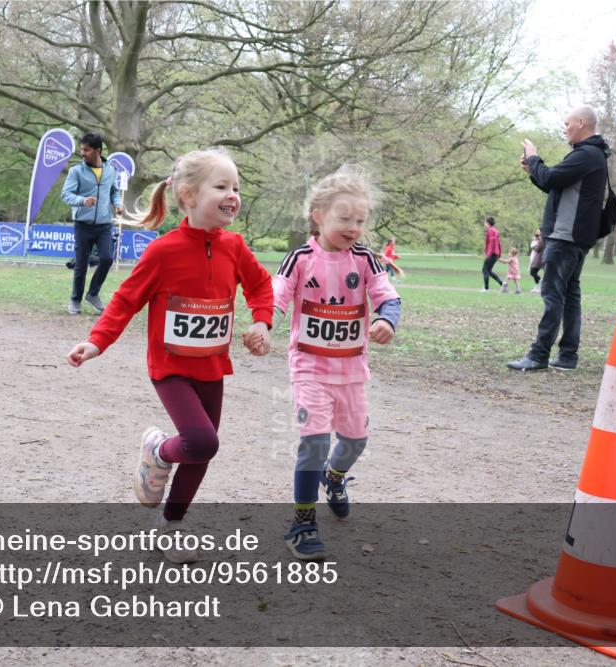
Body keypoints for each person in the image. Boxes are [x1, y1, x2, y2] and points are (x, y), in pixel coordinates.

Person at [66, 148, 273, 564]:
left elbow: (261, 286)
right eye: (222, 186)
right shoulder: (164, 251)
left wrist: (262, 322)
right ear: (188, 195)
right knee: (200, 441)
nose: (233, 194)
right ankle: (160, 451)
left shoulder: (235, 247)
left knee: (203, 450)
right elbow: (126, 300)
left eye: (236, 187)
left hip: (211, 367)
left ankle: (171, 527)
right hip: (172, 370)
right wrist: (97, 342)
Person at [269, 165, 401, 560]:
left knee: (356, 441)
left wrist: (385, 320)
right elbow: (275, 297)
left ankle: (335, 475)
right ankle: (303, 523)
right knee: (314, 442)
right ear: (318, 215)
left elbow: (387, 296)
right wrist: (264, 324)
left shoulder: (365, 259)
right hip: (309, 367)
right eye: (344, 218)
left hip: (351, 370)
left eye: (360, 220)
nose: (354, 227)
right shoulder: (299, 259)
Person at [507, 105, 611, 372]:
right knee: (570, 294)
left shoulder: (587, 154)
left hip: (565, 238)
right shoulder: (592, 155)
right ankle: (567, 356)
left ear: (581, 123)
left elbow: (552, 176)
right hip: (576, 238)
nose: (564, 128)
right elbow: (553, 184)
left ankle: (538, 355)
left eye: (567, 123)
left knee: (553, 294)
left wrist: (533, 158)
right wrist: (533, 169)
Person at [60, 132, 124, 315]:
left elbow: (114, 191)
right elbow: (66, 195)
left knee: (106, 259)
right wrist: (82, 200)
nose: (82, 153)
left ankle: (93, 294)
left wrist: (117, 204)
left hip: (104, 224)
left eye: (86, 150)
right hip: (83, 224)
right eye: (81, 149)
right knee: (81, 265)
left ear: (97, 150)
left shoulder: (111, 170)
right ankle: (75, 300)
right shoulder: (76, 171)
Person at [480, 216, 503, 292]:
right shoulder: (496, 231)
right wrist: (499, 253)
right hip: (495, 254)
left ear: (488, 223)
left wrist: (488, 254)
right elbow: (499, 243)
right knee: (488, 271)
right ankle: (502, 284)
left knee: (484, 270)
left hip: (492, 253)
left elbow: (492, 243)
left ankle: (486, 288)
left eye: (485, 222)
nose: (484, 223)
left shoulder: (491, 231)